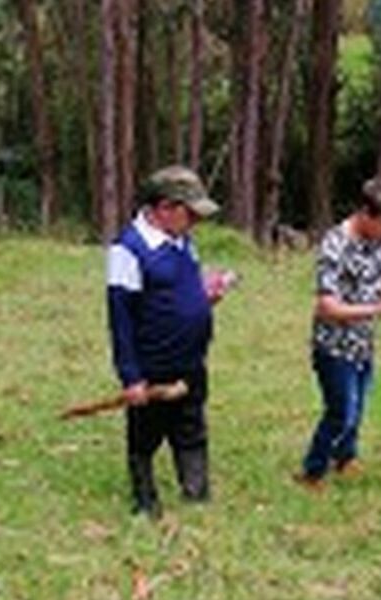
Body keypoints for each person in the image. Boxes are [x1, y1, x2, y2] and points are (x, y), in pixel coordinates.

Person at [106, 165, 230, 518]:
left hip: (191, 360)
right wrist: (131, 377)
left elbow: (180, 290)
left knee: (191, 425)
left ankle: (196, 493)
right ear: (164, 207)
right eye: (189, 213)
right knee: (145, 434)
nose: (195, 221)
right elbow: (120, 318)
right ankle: (145, 501)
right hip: (153, 364)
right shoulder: (128, 250)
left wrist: (206, 296)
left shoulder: (182, 240)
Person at [296, 176, 381, 490]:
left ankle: (345, 456)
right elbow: (327, 307)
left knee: (359, 403)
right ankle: (312, 471)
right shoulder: (335, 244)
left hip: (364, 343)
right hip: (333, 346)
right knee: (341, 410)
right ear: (366, 212)